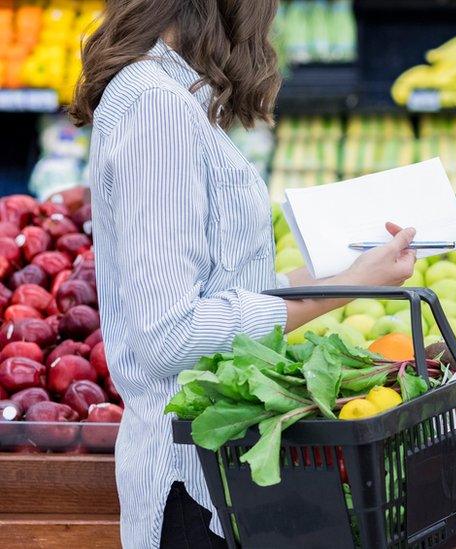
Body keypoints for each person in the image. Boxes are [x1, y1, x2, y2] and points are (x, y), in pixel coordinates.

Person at [68, 2, 417, 547]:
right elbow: (171, 334)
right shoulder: (157, 108)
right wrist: (339, 294)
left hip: (218, 479)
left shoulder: (167, 97)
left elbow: (221, 293)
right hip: (190, 488)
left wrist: (348, 275)